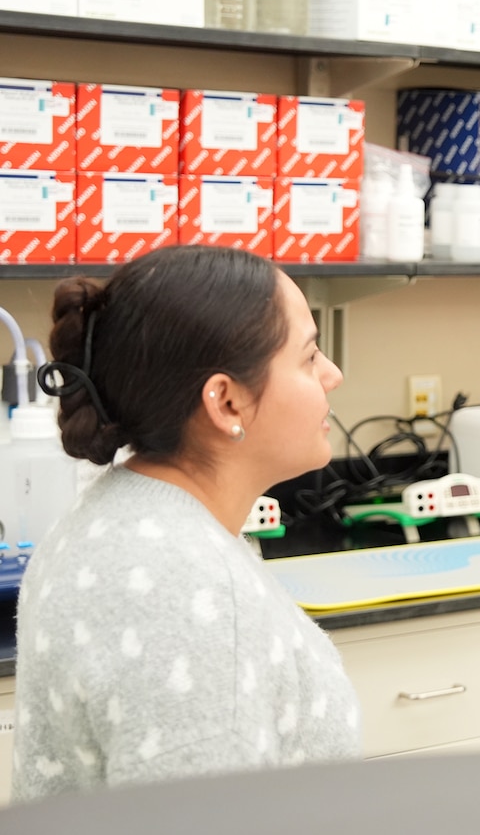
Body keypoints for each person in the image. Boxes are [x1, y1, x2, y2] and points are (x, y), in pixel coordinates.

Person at [12, 246, 360, 801]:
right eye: (310, 355)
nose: (332, 375)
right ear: (225, 403)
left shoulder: (131, 517)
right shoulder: (183, 586)